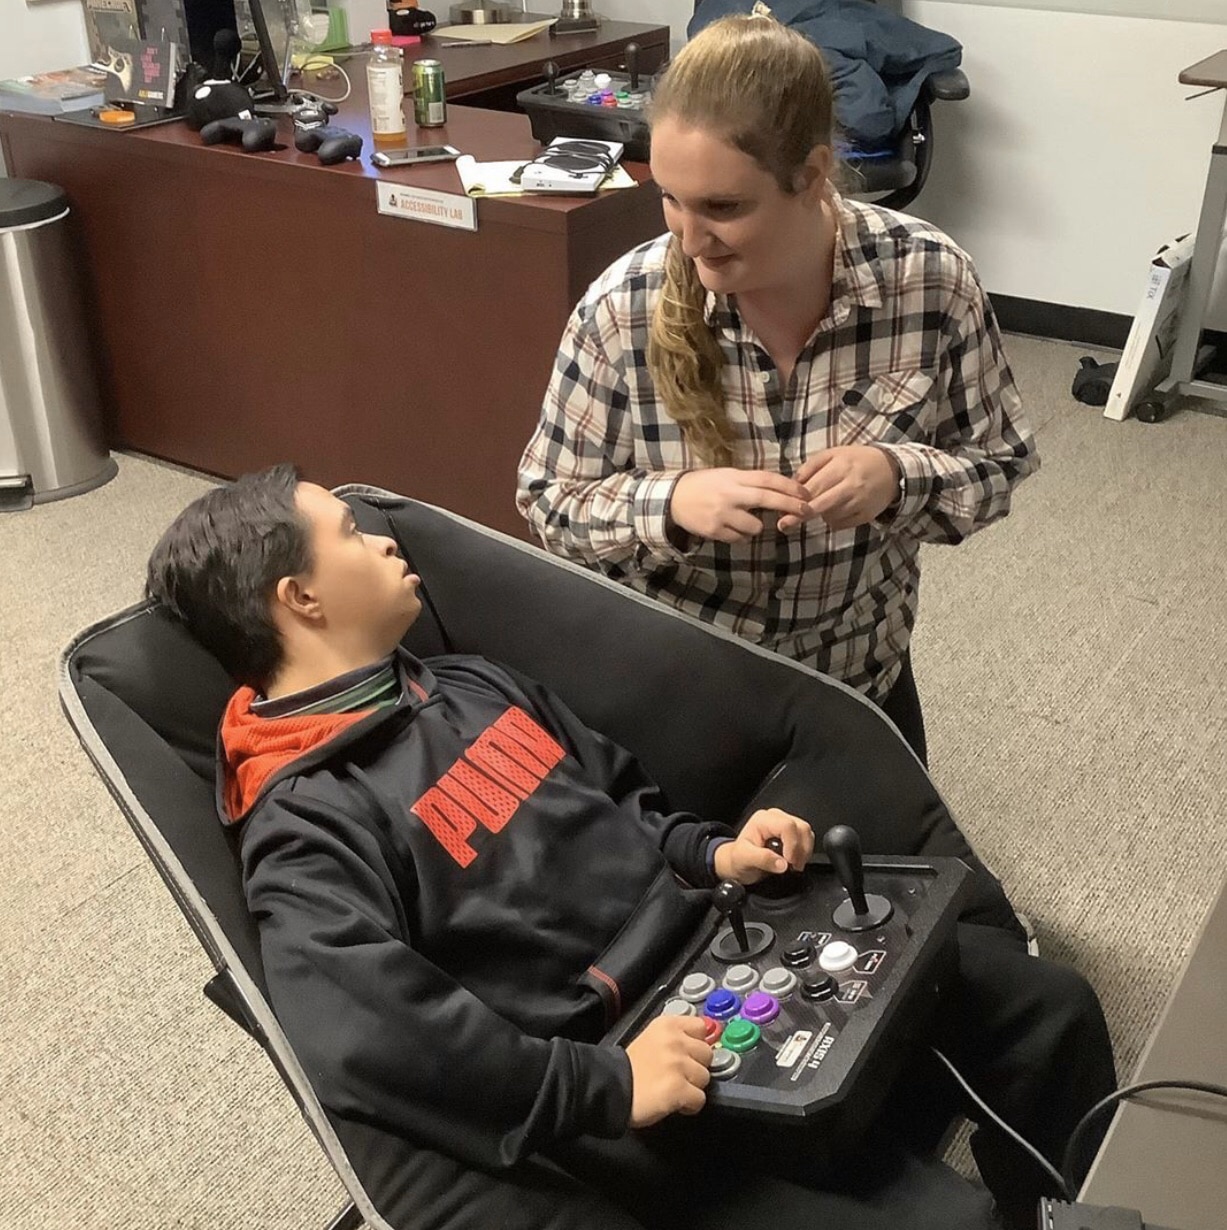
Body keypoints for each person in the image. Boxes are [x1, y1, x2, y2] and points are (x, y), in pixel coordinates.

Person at [145, 466, 1113, 1230]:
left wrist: (716, 855)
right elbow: (370, 1034)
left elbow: (627, 803)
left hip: (724, 948)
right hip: (629, 1077)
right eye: (352, 535)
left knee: (1046, 1009)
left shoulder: (469, 683)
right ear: (301, 598)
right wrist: (605, 1085)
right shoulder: (304, 824)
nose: (385, 538)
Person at [516, 14, 1039, 765]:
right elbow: (547, 501)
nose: (688, 240)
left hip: (856, 676)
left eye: (723, 207)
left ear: (812, 174)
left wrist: (897, 477)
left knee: (890, 843)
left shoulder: (929, 280)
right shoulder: (620, 309)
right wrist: (671, 504)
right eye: (670, 198)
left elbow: (999, 464)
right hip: (676, 685)